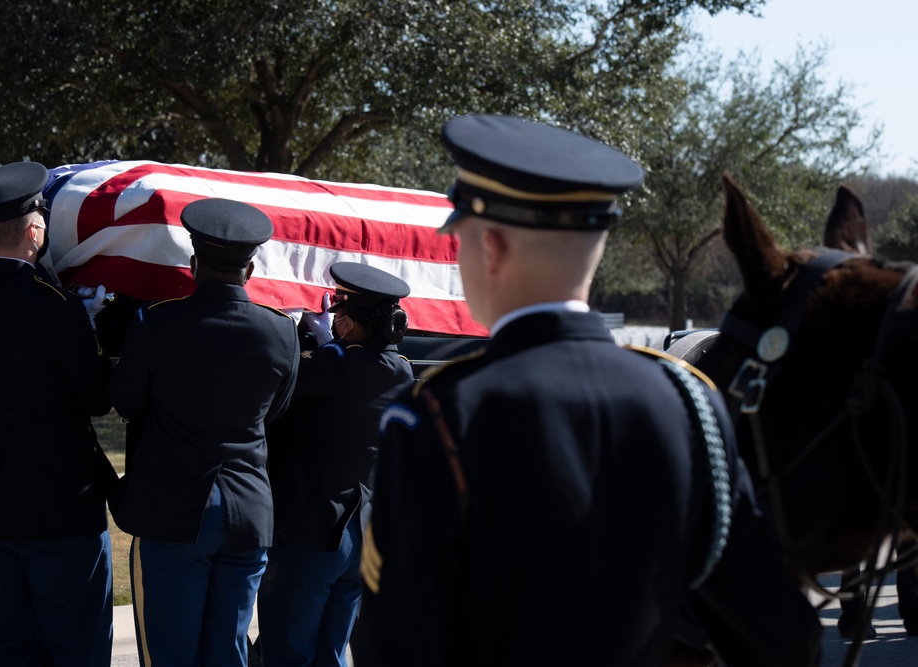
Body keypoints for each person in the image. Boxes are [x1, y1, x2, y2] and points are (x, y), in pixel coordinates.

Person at [351, 115, 822, 666]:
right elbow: (784, 636)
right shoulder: (688, 403)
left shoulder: (438, 412)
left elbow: (396, 646)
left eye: (460, 240)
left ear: (491, 249)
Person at [0, 161, 117, 666]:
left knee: (1, 643)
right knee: (76, 641)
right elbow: (97, 400)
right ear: (36, 229)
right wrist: (91, 334)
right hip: (60, 502)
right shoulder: (56, 309)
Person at [109, 197, 300, 667]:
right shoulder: (280, 333)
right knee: (228, 652)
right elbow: (275, 412)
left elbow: (127, 404)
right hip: (249, 510)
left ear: (194, 263)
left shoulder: (157, 323)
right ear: (250, 269)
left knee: (173, 653)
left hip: (175, 508)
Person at [257, 262, 415, 667]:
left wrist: (299, 331)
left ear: (346, 325)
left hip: (314, 531)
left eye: (339, 313)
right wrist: (332, 340)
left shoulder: (330, 366)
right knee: (331, 652)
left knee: (287, 652)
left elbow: (282, 368)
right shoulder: (401, 370)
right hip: (361, 535)